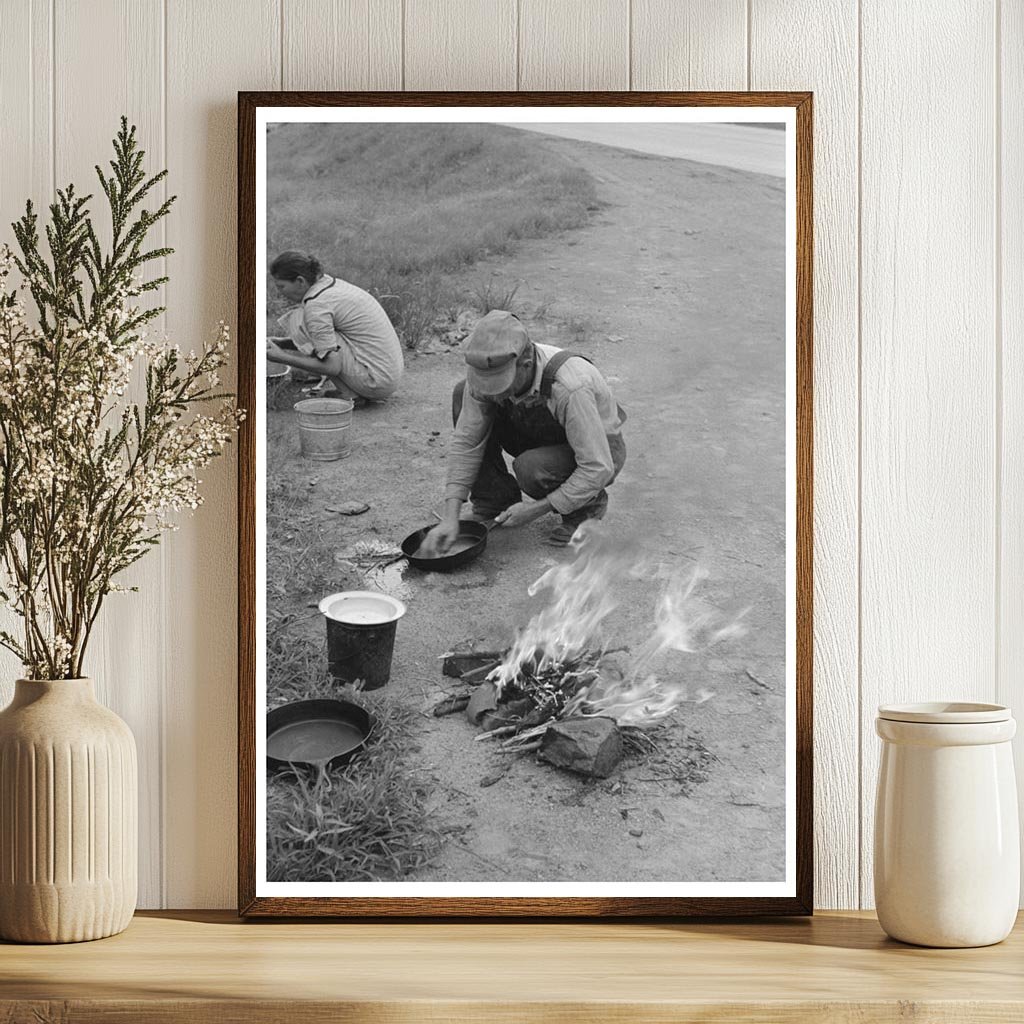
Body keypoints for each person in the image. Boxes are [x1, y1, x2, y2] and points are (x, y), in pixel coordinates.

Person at [422, 310, 626, 551]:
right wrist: (450, 517)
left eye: (500, 383)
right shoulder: (485, 369)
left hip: (600, 451)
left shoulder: (571, 387)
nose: (492, 392)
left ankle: (586, 508)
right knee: (462, 392)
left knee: (532, 468)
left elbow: (597, 467)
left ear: (526, 365)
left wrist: (535, 510)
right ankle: (493, 502)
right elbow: (468, 442)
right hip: (541, 432)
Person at [266, 251, 404, 402]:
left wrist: (281, 357)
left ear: (300, 281)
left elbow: (331, 367)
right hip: (387, 374)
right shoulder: (330, 285)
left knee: (300, 320)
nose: (280, 292)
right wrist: (283, 343)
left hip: (375, 382)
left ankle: (349, 394)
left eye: (281, 286)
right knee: (316, 332)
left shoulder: (316, 306)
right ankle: (351, 391)